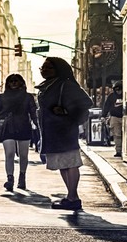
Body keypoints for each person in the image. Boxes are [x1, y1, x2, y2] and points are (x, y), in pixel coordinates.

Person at [37, 58, 92, 209]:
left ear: (59, 69)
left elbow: (87, 102)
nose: (44, 70)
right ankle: (71, 197)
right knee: (62, 164)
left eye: (49, 67)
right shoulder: (48, 86)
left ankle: (73, 198)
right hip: (52, 131)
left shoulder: (65, 84)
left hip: (64, 130)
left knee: (70, 163)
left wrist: (66, 111)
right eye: (43, 67)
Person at [0, 74, 38, 194]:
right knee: (9, 153)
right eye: (11, 81)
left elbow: (33, 112)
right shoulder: (2, 97)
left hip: (23, 126)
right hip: (8, 127)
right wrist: (4, 113)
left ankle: (22, 177)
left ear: (21, 83)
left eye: (16, 81)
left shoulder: (28, 97)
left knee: (23, 155)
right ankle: (10, 179)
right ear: (7, 83)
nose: (13, 83)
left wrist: (38, 125)